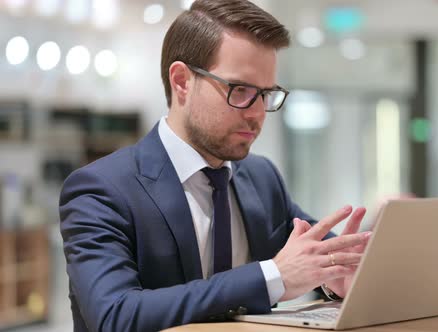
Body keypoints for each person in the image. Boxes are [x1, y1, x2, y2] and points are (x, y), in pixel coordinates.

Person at [59, 1, 371, 331]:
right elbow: (115, 316)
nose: (257, 113)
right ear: (181, 81)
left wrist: (339, 273)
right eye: (241, 91)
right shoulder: (101, 189)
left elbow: (313, 258)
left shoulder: (261, 178)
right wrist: (271, 278)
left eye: (266, 94)